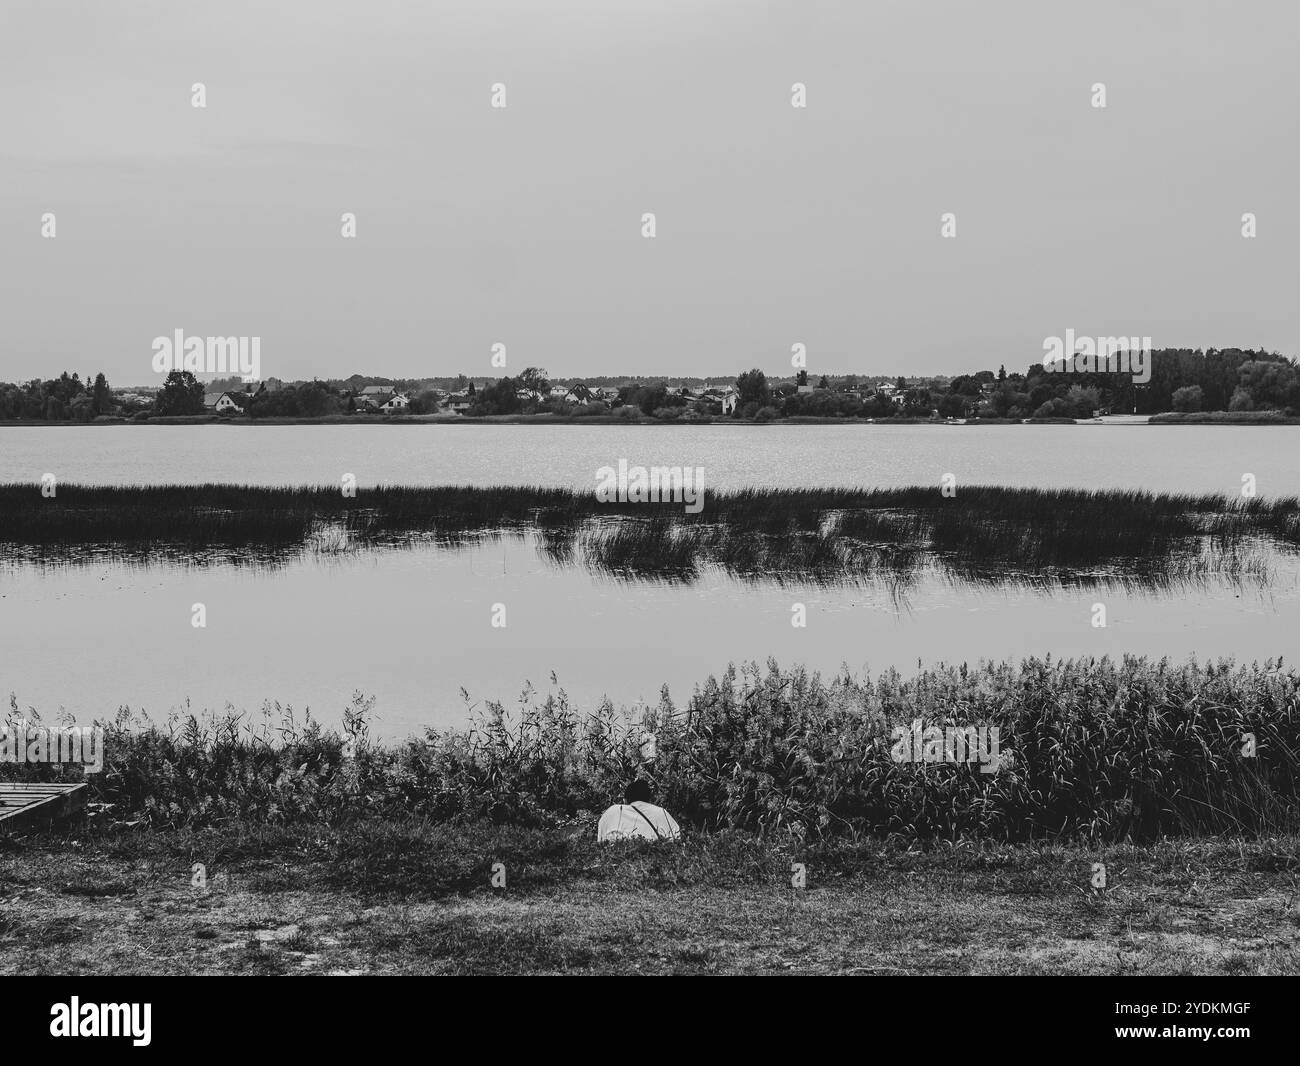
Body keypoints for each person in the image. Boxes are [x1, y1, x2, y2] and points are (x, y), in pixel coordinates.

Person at [597, 779, 681, 843]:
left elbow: (601, 843)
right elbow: (676, 839)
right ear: (649, 799)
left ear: (625, 800)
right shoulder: (661, 813)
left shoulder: (613, 812)